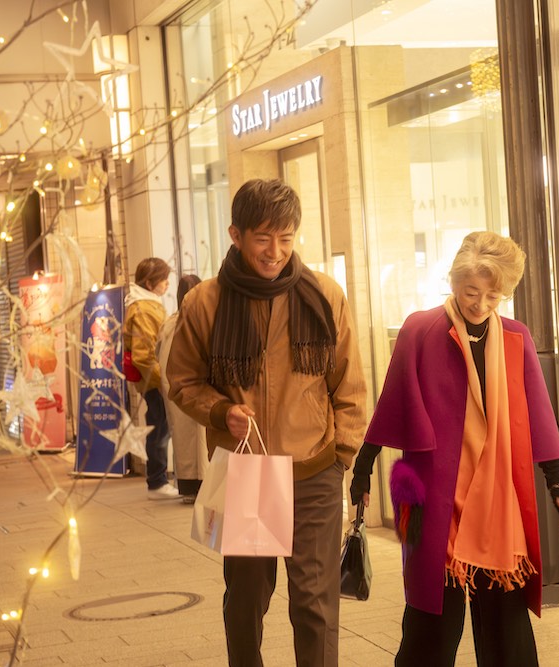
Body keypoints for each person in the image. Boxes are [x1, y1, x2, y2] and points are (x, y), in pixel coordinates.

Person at [349, 231, 559, 667]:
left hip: (496, 502)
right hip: (435, 496)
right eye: (471, 292)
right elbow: (392, 402)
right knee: (430, 626)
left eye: (493, 295)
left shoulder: (515, 337)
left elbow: (537, 412)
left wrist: (558, 483)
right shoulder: (421, 329)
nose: (481, 304)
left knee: (507, 628)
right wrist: (363, 470)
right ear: (454, 282)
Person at [167, 178, 367, 666]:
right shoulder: (206, 302)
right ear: (236, 235)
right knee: (246, 603)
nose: (275, 252)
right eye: (262, 238)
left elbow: (349, 384)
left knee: (315, 605)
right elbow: (183, 381)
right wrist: (221, 411)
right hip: (248, 473)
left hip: (314, 471)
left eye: (286, 238)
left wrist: (340, 455)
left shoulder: (324, 295)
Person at [124, 257, 178, 500]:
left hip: (153, 379)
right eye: (163, 279)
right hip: (154, 381)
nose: (167, 283)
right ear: (149, 283)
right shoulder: (144, 308)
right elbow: (144, 355)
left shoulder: (146, 304)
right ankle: (157, 482)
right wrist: (163, 380)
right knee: (159, 428)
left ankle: (158, 480)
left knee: (160, 427)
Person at [156, 274, 207, 504]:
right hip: (200, 387)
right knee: (201, 438)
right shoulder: (202, 321)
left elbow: (158, 355)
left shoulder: (169, 324)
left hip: (174, 390)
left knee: (183, 438)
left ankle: (188, 487)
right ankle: (204, 485)